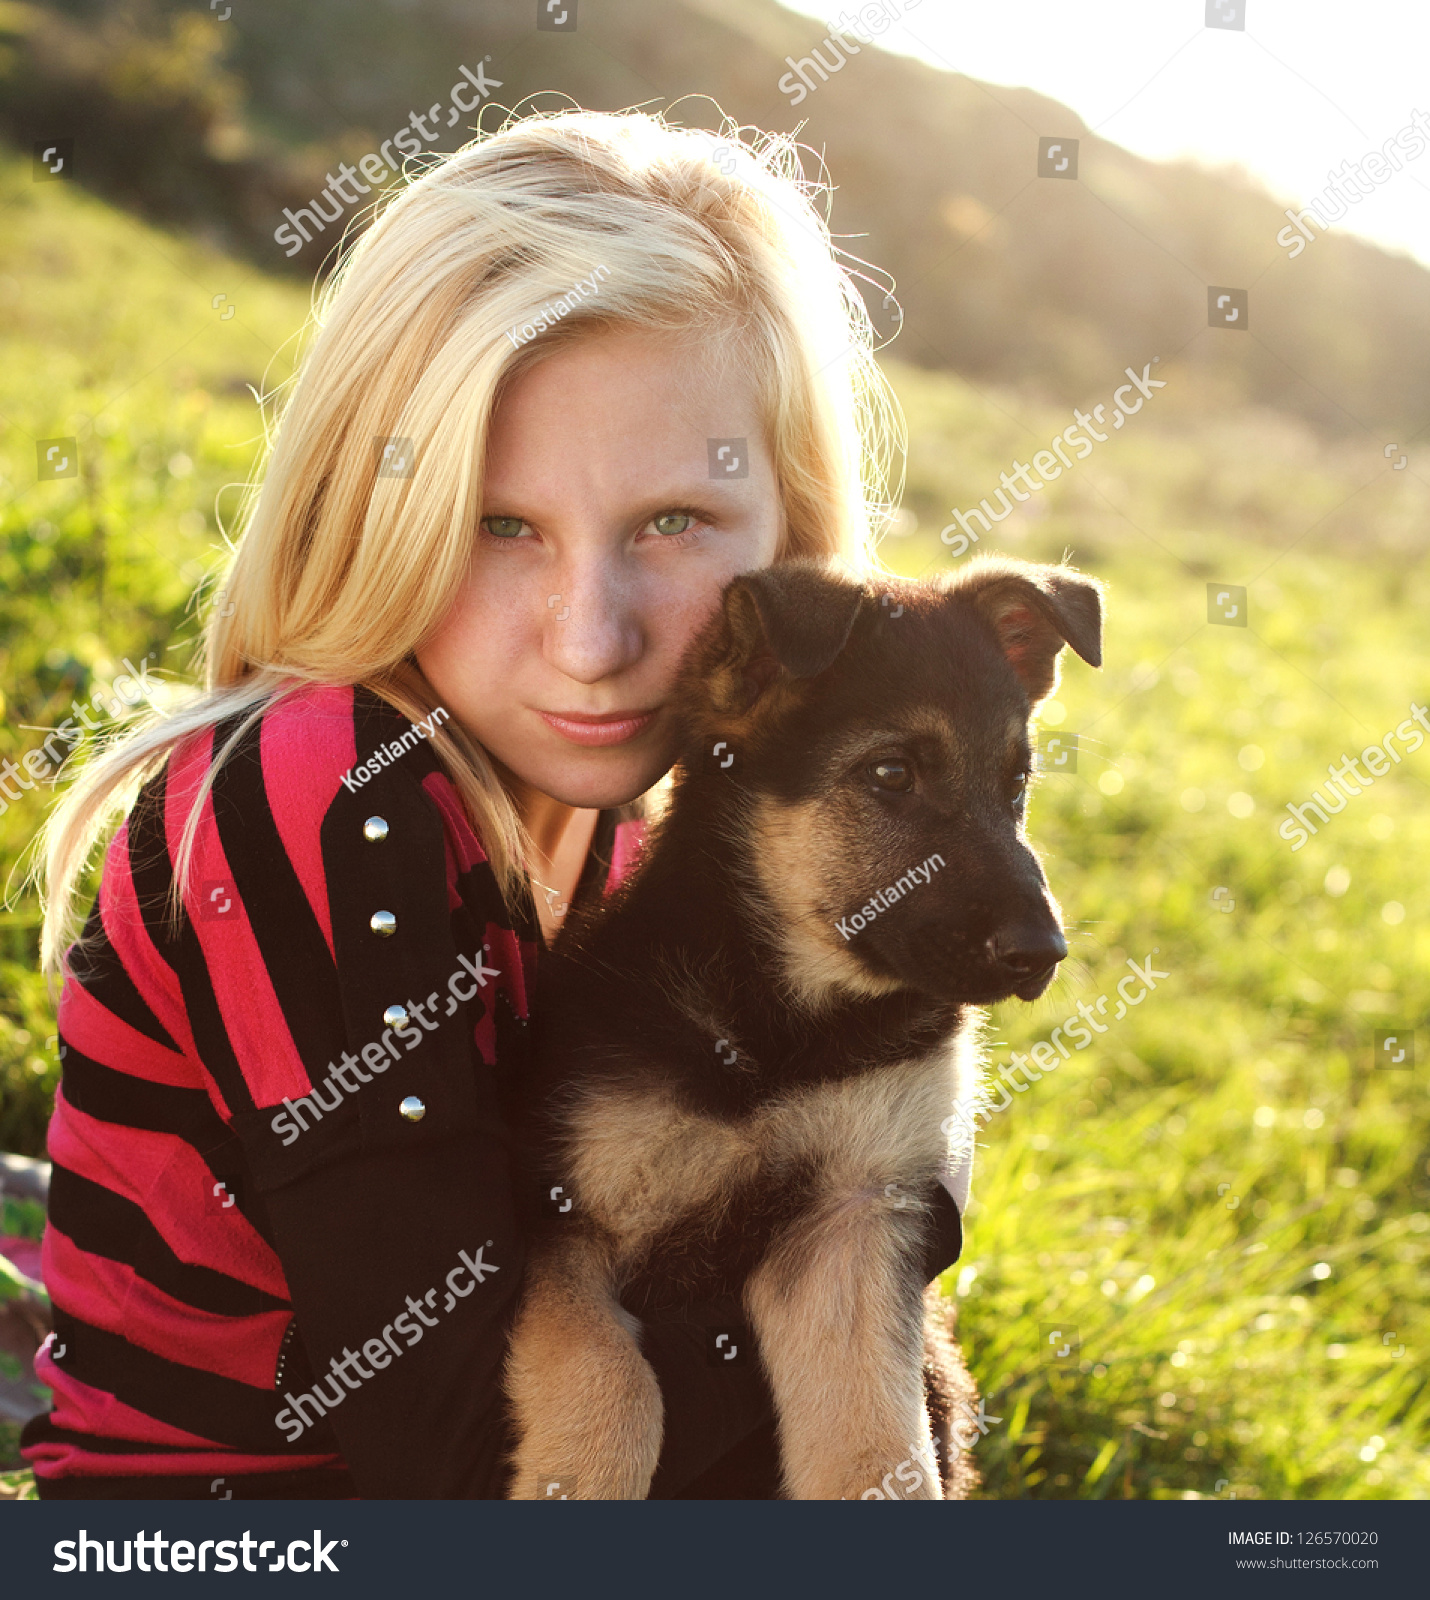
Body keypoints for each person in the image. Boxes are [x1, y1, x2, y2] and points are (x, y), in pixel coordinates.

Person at [23, 108, 966, 1499]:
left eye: (671, 524)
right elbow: (455, 1434)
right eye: (496, 524)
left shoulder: (648, 821)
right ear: (370, 512)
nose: (592, 638)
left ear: (794, 535)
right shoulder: (325, 789)